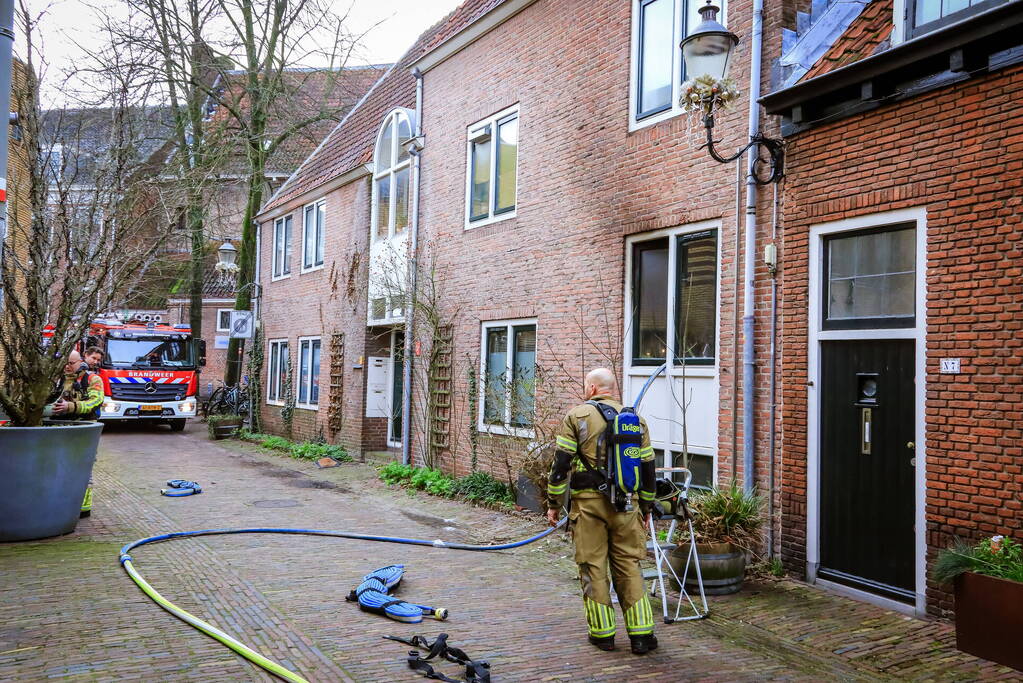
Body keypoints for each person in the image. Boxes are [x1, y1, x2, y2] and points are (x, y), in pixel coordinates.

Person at [546, 368, 659, 655]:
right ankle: (642, 635)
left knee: (593, 567)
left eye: (587, 385)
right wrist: (646, 506)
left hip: (589, 506)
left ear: (593, 388)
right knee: (629, 566)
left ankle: (603, 635)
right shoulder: (636, 421)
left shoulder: (577, 416)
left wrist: (554, 504)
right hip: (627, 505)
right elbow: (648, 469)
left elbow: (560, 466)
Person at [44, 350, 103, 517]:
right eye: (65, 363)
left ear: (80, 361)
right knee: (57, 467)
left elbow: (95, 401)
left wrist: (70, 407)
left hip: (84, 430)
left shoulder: (92, 379)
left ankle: (83, 508)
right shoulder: (56, 380)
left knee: (83, 469)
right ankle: (60, 503)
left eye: (71, 363)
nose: (67, 366)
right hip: (59, 429)